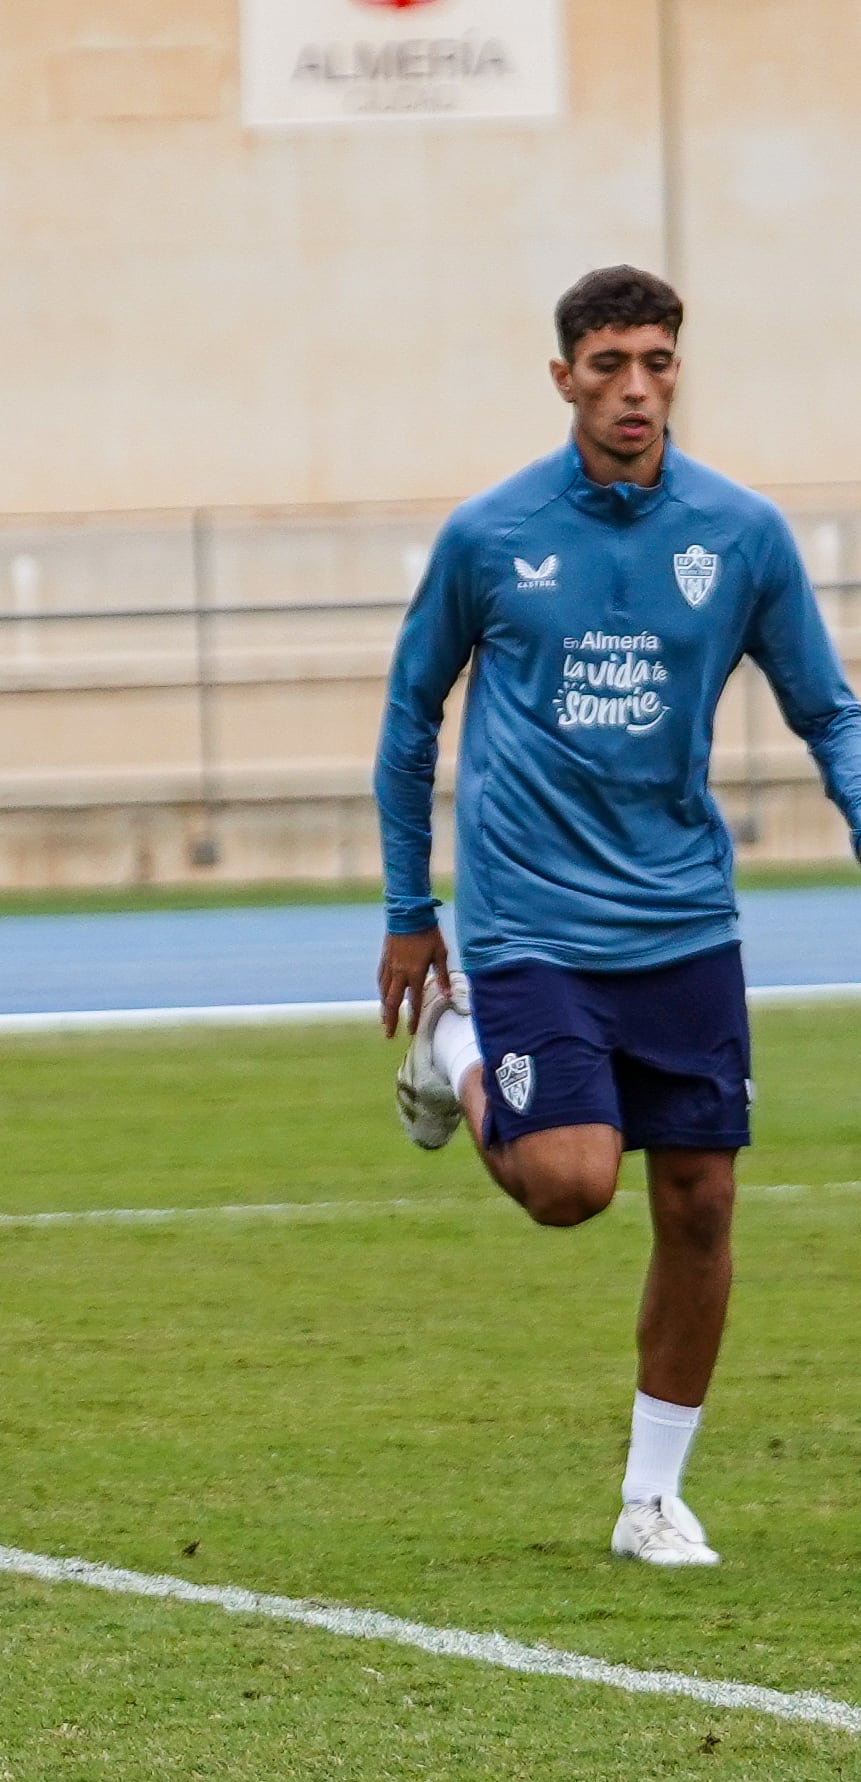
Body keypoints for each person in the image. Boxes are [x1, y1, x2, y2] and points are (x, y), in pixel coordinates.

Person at [381, 264, 861, 1569]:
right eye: (608, 366)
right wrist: (406, 907)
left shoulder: (741, 535)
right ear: (563, 380)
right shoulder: (491, 536)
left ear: (676, 372)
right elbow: (410, 713)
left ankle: (652, 1498)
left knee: (700, 1202)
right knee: (568, 1183)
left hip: (685, 918)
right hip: (533, 917)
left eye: (655, 362)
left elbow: (828, 712)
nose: (634, 388)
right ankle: (458, 1049)